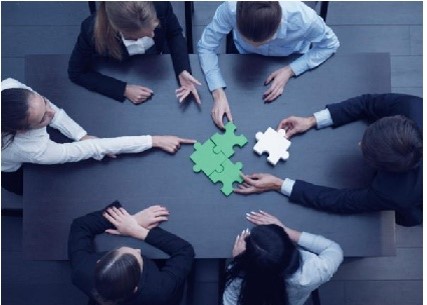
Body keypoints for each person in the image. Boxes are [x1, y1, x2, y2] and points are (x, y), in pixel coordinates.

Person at [235, 94, 423, 227]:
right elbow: (367, 103)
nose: (358, 144)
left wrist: (279, 184)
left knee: (408, 217)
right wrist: (311, 120)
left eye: (366, 152)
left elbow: (341, 201)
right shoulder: (414, 108)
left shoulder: (397, 193)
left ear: (386, 170)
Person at [1, 78, 195, 195]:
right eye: (43, 118)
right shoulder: (33, 149)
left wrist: (81, 135)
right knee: (39, 195)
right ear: (23, 130)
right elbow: (95, 148)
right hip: (9, 169)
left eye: (44, 102)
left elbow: (55, 114)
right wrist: (154, 140)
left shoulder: (10, 89)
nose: (50, 112)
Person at [197, 1, 339, 129]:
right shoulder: (231, 8)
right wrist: (218, 93)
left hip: (290, 58)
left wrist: (291, 69)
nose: (256, 46)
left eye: (263, 42)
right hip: (243, 57)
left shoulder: (305, 19)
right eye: (248, 40)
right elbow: (206, 46)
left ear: (278, 25)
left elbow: (330, 44)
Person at [68, 1, 201, 105]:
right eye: (141, 36)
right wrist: (123, 89)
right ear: (120, 30)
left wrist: (183, 70)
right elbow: (76, 72)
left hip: (158, 64)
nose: (152, 35)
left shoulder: (160, 5)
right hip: (119, 69)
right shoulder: (91, 31)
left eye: (154, 28)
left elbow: (174, 34)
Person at [68, 201, 194, 305]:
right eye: (138, 258)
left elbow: (80, 226)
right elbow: (184, 251)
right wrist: (136, 230)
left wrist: (130, 220)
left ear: (99, 263)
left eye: (118, 250)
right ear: (136, 287)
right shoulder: (159, 291)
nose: (138, 250)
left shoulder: (81, 272)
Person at [223, 210, 343, 305]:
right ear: (289, 248)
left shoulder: (238, 281)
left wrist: (237, 260)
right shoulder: (314, 272)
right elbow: (333, 249)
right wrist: (289, 232)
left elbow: (229, 302)